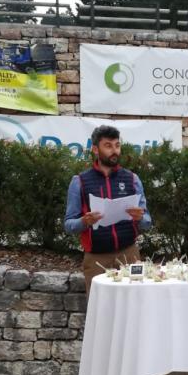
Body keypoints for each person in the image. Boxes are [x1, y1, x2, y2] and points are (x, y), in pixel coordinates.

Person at [64, 125, 151, 299]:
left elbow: (148, 221)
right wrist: (84, 221)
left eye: (117, 145)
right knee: (100, 308)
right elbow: (68, 225)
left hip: (130, 254)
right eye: (108, 146)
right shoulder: (79, 181)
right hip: (96, 259)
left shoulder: (132, 179)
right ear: (96, 149)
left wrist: (141, 218)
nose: (114, 151)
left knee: (134, 304)